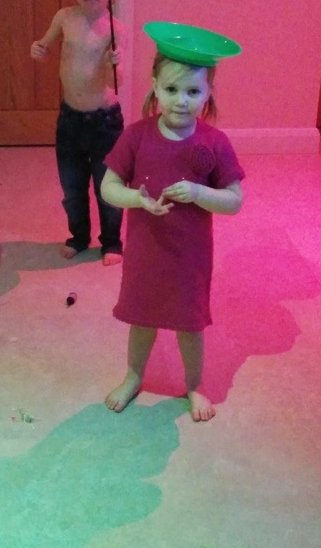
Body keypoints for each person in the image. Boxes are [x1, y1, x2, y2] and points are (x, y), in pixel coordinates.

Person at [100, 51, 244, 421]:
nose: (181, 100)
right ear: (155, 88)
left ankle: (194, 384)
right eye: (171, 89)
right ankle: (134, 375)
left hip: (189, 256)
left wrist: (198, 192)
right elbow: (108, 187)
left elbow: (234, 201)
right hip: (146, 252)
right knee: (141, 318)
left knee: (189, 324)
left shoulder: (214, 141)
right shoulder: (136, 136)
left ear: (208, 92)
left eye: (193, 91)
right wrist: (136, 199)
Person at [30, 0, 126, 266]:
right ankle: (79, 236)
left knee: (108, 187)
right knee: (71, 187)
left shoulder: (115, 29)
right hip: (70, 119)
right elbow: (44, 45)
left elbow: (117, 81)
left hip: (105, 122)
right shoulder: (64, 18)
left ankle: (111, 241)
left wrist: (115, 63)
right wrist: (39, 49)